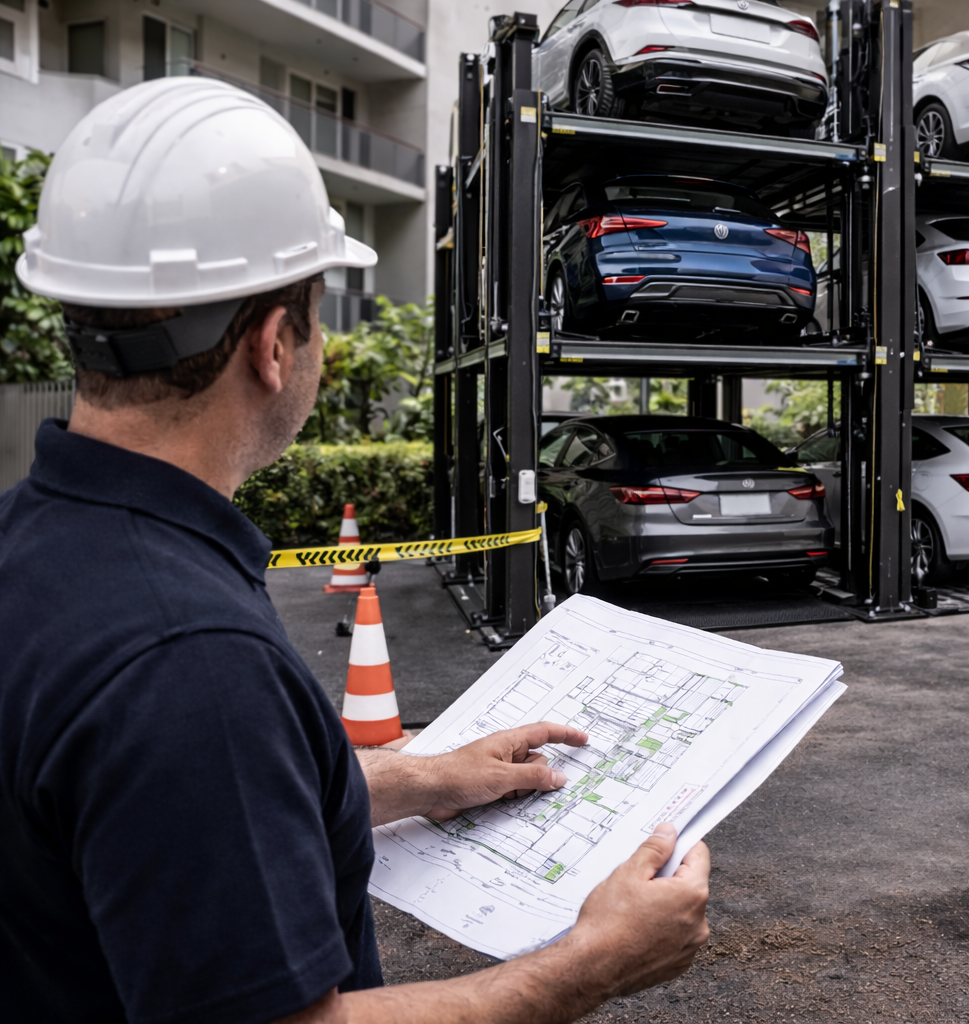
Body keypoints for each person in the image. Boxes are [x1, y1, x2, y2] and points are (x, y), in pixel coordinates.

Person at [0, 78, 709, 1023]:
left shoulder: (35, 544)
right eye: (318, 309)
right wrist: (591, 963)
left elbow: (158, 824)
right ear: (272, 346)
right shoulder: (189, 663)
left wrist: (416, 779)